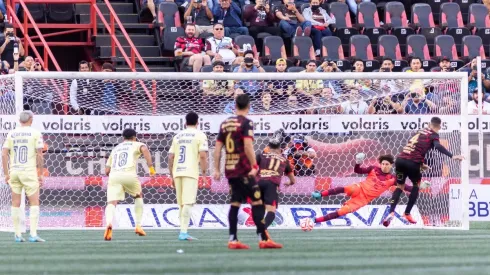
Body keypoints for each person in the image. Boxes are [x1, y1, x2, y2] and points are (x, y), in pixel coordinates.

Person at [212, 94, 274, 249]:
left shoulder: (225, 123)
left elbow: (218, 148)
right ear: (248, 106)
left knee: (235, 203)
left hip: (230, 170)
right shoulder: (246, 123)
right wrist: (254, 166)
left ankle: (233, 240)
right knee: (257, 202)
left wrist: (216, 169)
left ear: (235, 105)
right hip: (244, 169)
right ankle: (263, 239)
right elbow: (248, 146)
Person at [383, 117, 464, 227]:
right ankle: (407, 213)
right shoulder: (434, 134)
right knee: (416, 186)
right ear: (439, 126)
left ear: (429, 124)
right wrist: (452, 156)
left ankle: (391, 212)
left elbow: (414, 148)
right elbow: (437, 146)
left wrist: (421, 164)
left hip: (400, 160)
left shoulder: (420, 131)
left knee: (399, 186)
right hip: (412, 163)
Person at [304, 154, 420, 227]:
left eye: (387, 164)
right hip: (359, 188)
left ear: (391, 166)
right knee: (346, 188)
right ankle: (320, 194)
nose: (384, 166)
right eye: (383, 163)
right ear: (380, 164)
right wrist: (358, 163)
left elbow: (407, 188)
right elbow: (358, 171)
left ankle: (315, 220)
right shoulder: (373, 169)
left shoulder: (393, 179)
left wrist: (419, 186)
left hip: (363, 200)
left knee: (342, 212)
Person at [103, 128, 156, 240]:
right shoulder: (137, 144)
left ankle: (108, 224)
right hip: (129, 175)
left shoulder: (116, 148)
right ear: (134, 137)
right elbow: (144, 149)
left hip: (114, 176)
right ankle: (138, 225)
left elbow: (106, 171)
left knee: (111, 202)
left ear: (123, 138)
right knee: (138, 196)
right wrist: (151, 168)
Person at [1, 111, 45, 242]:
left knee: (15, 203)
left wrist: (6, 173)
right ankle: (32, 234)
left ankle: (17, 234)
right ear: (31, 119)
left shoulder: (11, 133)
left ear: (19, 121)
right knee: (34, 202)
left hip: (14, 171)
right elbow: (39, 154)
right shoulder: (35, 133)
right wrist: (41, 174)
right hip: (28, 172)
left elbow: (3, 154)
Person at [168, 112, 208, 241]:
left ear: (185, 123)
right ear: (198, 122)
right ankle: (183, 233)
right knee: (188, 203)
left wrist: (171, 174)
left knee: (181, 204)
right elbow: (202, 156)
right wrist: (204, 173)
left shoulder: (177, 136)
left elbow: (170, 157)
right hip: (190, 172)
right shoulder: (200, 135)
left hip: (177, 172)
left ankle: (182, 230)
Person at [256, 133, 295, 245]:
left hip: (258, 183)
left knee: (261, 210)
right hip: (271, 184)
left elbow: (252, 168)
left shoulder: (261, 156)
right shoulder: (284, 160)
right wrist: (288, 183)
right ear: (279, 148)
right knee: (271, 212)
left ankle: (264, 238)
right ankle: (262, 231)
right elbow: (293, 180)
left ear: (268, 147)